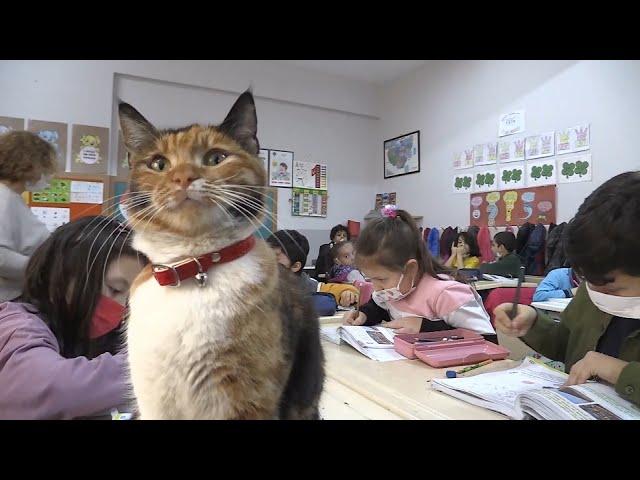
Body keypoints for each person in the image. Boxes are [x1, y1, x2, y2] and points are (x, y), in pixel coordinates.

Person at [493, 172, 640, 406]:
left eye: (610, 286)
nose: (595, 291)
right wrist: (532, 323)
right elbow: (569, 346)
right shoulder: (595, 283)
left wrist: (621, 373)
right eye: (586, 279)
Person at [0, 216, 147, 419]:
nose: (120, 307)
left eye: (128, 298)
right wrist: (154, 362)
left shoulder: (92, 339)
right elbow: (51, 390)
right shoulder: (15, 324)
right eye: (115, 289)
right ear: (63, 275)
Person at [343, 206, 495, 338]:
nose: (376, 288)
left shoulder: (447, 294)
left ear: (411, 269)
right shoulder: (392, 290)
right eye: (370, 279)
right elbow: (379, 307)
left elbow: (487, 340)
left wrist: (426, 327)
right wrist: (363, 315)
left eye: (381, 279)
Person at [0, 131, 57, 302]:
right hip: (10, 300)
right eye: (43, 164)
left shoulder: (12, 198)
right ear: (29, 163)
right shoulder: (4, 198)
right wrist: (44, 268)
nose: (45, 172)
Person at [266, 230, 360, 312]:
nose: (266, 260)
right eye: (265, 254)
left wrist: (346, 294)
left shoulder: (303, 283)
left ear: (295, 266)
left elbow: (336, 289)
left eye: (275, 256)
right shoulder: (258, 278)